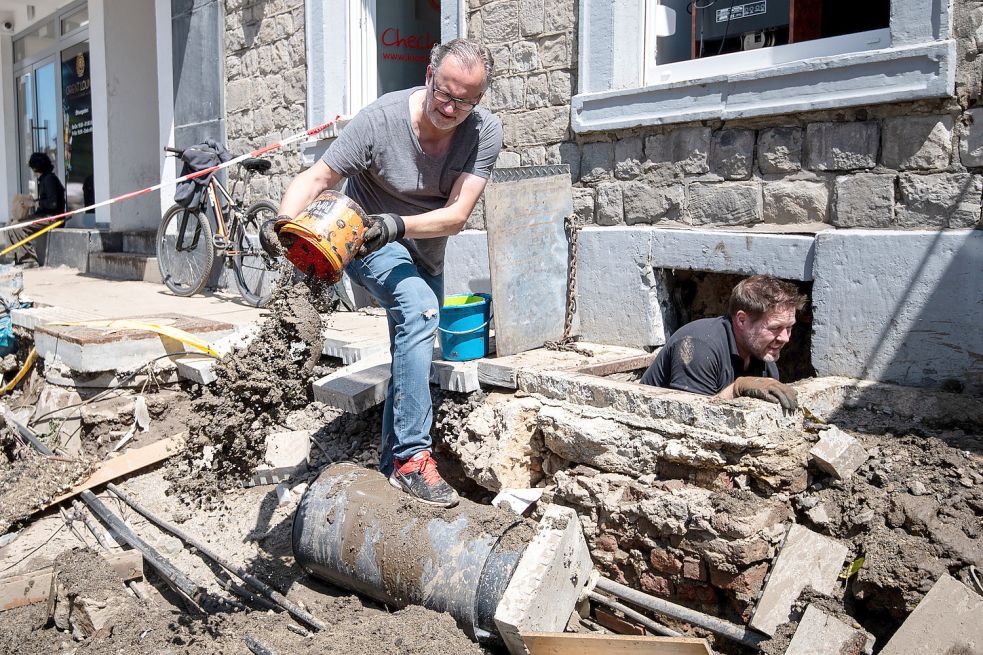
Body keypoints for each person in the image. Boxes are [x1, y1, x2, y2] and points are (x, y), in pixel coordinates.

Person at [276, 39, 503, 507]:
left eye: (464, 100)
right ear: (429, 75)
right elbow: (318, 177)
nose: (449, 106)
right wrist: (284, 224)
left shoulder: (484, 133)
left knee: (411, 342)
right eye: (444, 92)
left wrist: (399, 226)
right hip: (364, 240)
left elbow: (458, 215)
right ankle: (411, 458)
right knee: (419, 310)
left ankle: (389, 469)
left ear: (478, 100)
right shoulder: (381, 119)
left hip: (422, 247)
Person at [641, 275, 805, 411]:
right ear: (742, 320)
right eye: (775, 328)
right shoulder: (698, 346)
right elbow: (688, 418)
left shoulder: (764, 358)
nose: (785, 338)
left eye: (789, 328)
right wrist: (737, 388)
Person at [0, 152, 66, 267]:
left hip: (52, 218)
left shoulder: (50, 179)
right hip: (44, 216)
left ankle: (29, 260)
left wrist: (37, 203)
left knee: (18, 226)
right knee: (10, 224)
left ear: (35, 167)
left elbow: (53, 204)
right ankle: (14, 257)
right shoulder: (45, 179)